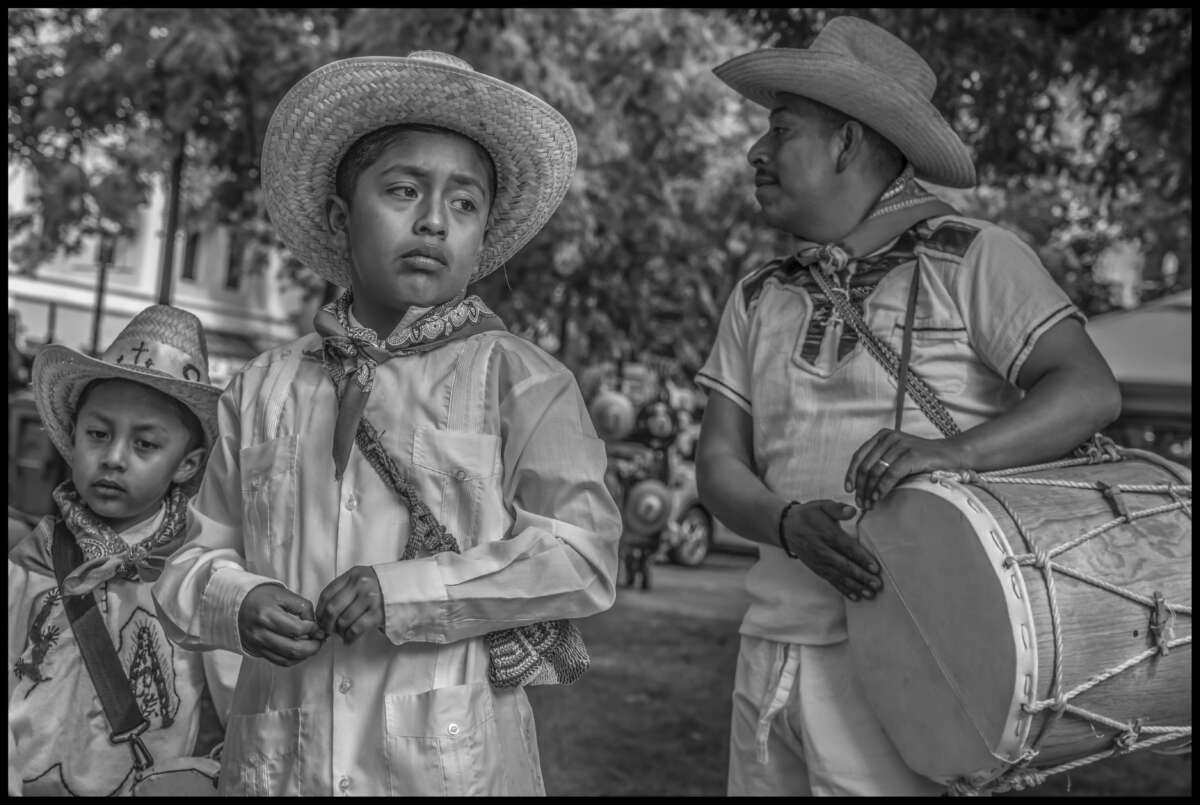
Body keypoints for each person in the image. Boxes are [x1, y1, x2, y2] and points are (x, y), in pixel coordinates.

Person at [151, 51, 621, 796]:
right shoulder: (263, 386)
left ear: (483, 232)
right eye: (404, 190)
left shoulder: (521, 381)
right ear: (342, 217)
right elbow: (187, 555)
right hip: (278, 763)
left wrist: (412, 592)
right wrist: (236, 600)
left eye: (464, 204)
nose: (434, 220)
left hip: (450, 765)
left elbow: (584, 557)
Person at [694, 16, 1122, 796]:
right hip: (770, 649)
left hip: (925, 660)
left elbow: (1087, 388)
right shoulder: (759, 294)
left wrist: (955, 454)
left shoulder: (974, 255)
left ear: (847, 142)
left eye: (780, 131)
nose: (756, 153)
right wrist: (787, 527)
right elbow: (719, 462)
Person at [8, 305, 241, 796]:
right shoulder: (29, 565)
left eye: (145, 444)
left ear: (188, 464)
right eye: (98, 434)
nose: (113, 457)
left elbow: (231, 707)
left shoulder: (205, 576)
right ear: (73, 437)